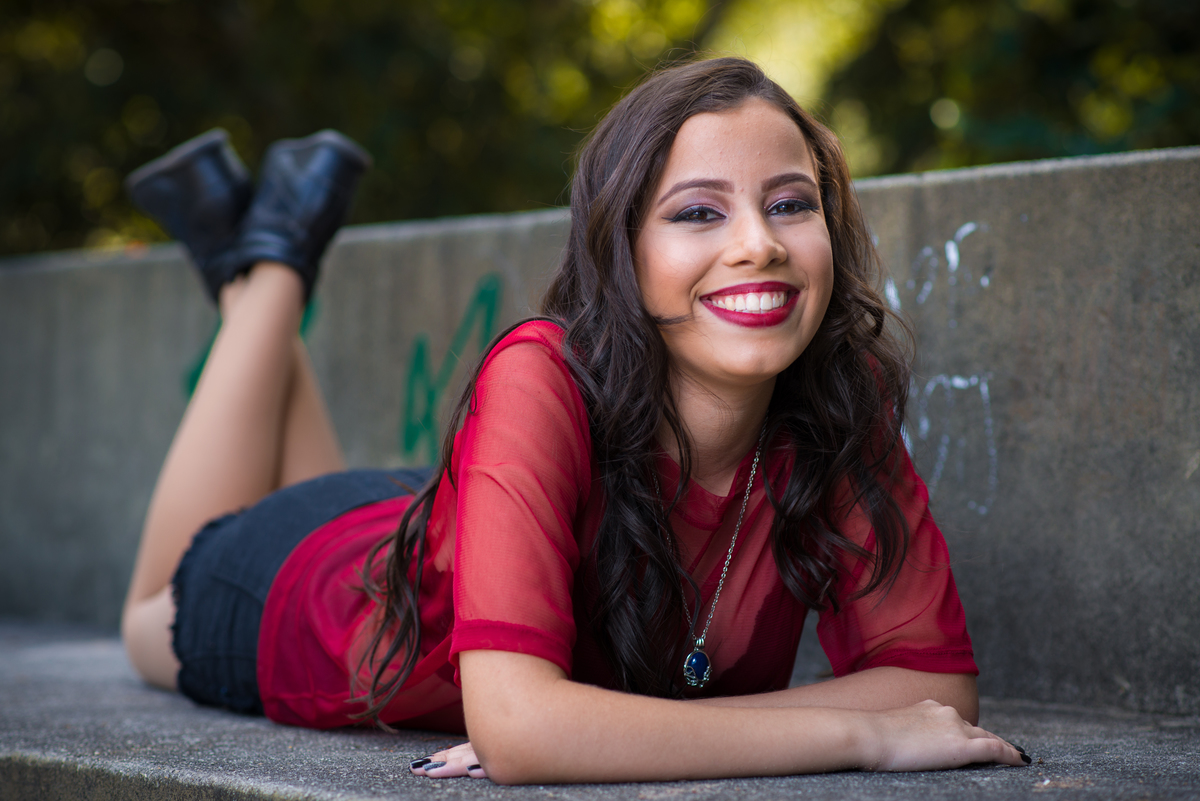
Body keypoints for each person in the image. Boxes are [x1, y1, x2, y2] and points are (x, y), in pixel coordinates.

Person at [119, 57, 1029, 785]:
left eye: (790, 203)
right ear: (621, 250)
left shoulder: (838, 393)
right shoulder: (540, 374)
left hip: (425, 527)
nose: (759, 242)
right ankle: (275, 263)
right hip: (307, 597)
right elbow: (522, 734)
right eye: (698, 212)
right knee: (144, 617)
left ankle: (251, 239)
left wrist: (595, 729)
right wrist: (861, 735)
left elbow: (935, 687)